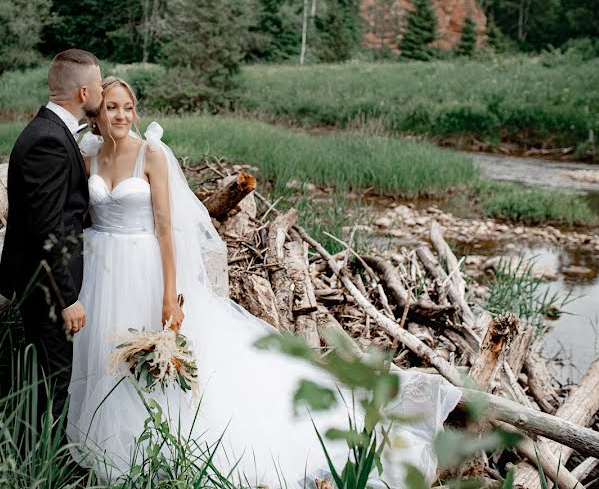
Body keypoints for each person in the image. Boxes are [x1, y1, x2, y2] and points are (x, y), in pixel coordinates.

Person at [66, 76, 462, 488]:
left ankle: (159, 442)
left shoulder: (150, 155)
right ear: (98, 113)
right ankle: (110, 440)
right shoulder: (89, 157)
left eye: (128, 107)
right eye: (112, 107)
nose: (121, 115)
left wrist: (171, 297)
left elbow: (166, 228)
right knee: (107, 356)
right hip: (102, 268)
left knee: (155, 358)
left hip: (145, 267)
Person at [0, 48, 103, 425]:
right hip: (47, 289)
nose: (102, 92)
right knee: (55, 384)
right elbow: (47, 229)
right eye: (100, 85)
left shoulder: (52, 131)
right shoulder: (49, 141)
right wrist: (67, 298)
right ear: (85, 94)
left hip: (43, 283)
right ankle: (41, 466)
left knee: (49, 380)